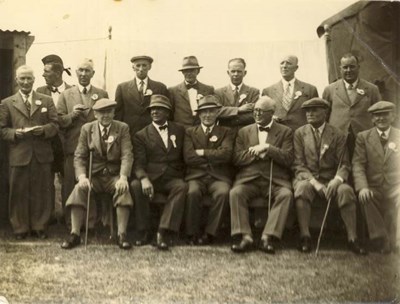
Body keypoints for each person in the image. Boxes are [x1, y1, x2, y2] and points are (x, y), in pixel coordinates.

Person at [292, 98, 366, 255]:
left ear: (325, 112)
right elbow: (298, 165)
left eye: (314, 110)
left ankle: (352, 238)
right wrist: (314, 183)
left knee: (345, 191)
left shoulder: (338, 134)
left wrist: (336, 181)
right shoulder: (300, 133)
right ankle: (305, 236)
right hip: (308, 178)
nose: (310, 114)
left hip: (332, 178)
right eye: (307, 111)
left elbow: (345, 164)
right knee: (302, 189)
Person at [61, 98, 133, 250]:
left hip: (114, 176)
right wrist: (82, 177)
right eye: (101, 112)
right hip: (94, 176)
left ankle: (122, 234)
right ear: (95, 114)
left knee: (123, 190)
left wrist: (123, 177)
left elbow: (127, 155)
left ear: (114, 113)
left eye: (109, 111)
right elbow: (79, 155)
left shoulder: (122, 128)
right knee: (79, 189)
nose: (105, 115)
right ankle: (75, 234)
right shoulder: (87, 129)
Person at [229, 96, 293, 254]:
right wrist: (256, 153)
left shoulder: (285, 131)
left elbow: (288, 158)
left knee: (286, 195)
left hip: (274, 180)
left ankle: (267, 237)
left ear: (271, 113)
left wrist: (268, 148)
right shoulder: (244, 131)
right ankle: (246, 237)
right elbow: (236, 158)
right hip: (249, 179)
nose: (256, 114)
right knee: (236, 193)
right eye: (255, 110)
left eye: (261, 111)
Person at [0, 65, 58, 239]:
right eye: (22, 78)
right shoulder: (7, 103)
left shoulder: (46, 100)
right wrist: (14, 134)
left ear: (34, 80)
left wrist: (45, 130)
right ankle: (20, 228)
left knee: (42, 191)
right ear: (17, 80)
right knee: (18, 191)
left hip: (41, 154)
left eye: (29, 78)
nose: (26, 82)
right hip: (19, 154)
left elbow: (55, 125)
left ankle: (40, 226)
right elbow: (2, 129)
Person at [130, 95, 188, 251]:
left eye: (159, 109)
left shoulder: (179, 130)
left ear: (168, 112)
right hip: (151, 177)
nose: (155, 111)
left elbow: (185, 156)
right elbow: (138, 163)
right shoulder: (141, 135)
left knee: (181, 187)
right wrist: (143, 179)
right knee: (136, 185)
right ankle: (143, 231)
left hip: (172, 177)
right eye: (152, 109)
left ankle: (163, 231)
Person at [57, 58, 108, 224]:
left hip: (95, 146)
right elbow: (58, 121)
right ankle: (70, 221)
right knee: (71, 183)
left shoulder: (101, 94)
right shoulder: (66, 95)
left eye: (87, 71)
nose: (84, 74)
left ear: (93, 73)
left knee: (90, 183)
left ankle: (90, 221)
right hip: (73, 146)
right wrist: (72, 115)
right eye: (80, 70)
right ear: (76, 73)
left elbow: (106, 119)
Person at [184, 95, 235, 245]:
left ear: (217, 113)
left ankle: (210, 233)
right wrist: (213, 158)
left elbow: (226, 155)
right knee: (192, 192)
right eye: (204, 112)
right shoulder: (190, 132)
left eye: (211, 111)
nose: (207, 115)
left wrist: (202, 152)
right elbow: (189, 157)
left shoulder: (226, 131)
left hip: (219, 177)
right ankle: (191, 233)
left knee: (223, 192)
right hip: (196, 176)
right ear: (199, 114)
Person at [352, 101, 400, 254]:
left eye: (385, 114)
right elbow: (358, 164)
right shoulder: (363, 137)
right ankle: (382, 239)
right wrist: (363, 187)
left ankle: (398, 242)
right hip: (374, 186)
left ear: (392, 116)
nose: (381, 118)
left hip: (396, 186)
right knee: (366, 197)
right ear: (372, 119)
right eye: (377, 116)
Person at [37, 54, 73, 223]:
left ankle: (69, 217)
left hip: (67, 144)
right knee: (46, 180)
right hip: (48, 144)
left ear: (58, 73)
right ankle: (48, 216)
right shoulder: (39, 92)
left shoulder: (73, 91)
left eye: (47, 72)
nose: (43, 75)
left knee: (68, 181)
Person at [322, 53, 381, 156]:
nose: (348, 70)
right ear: (340, 69)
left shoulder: (372, 89)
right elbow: (324, 116)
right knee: (341, 167)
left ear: (358, 67)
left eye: (352, 67)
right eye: (345, 67)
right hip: (338, 137)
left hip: (364, 137)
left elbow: (378, 114)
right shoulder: (330, 89)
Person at [115, 55, 169, 137]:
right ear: (133, 67)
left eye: (144, 65)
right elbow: (118, 114)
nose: (141, 69)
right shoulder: (122, 88)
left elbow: (166, 112)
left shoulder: (160, 87)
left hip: (153, 133)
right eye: (138, 65)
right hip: (130, 133)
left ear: (149, 67)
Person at [262, 55, 318, 131]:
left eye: (288, 63)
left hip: (302, 134)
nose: (284, 66)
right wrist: (271, 118)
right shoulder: (268, 91)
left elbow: (316, 114)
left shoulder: (310, 89)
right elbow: (262, 115)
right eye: (282, 63)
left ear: (296, 68)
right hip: (277, 134)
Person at [169, 56, 214, 128]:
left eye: (192, 70)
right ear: (182, 72)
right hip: (181, 131)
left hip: (201, 131)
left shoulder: (208, 89)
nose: (189, 73)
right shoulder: (173, 91)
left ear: (198, 71)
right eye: (186, 71)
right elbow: (170, 115)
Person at [215, 58, 260, 128]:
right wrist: (239, 110)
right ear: (228, 73)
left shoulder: (253, 92)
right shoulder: (218, 92)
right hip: (224, 134)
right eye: (233, 71)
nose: (236, 74)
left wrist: (228, 116)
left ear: (244, 73)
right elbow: (217, 112)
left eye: (239, 71)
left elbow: (254, 115)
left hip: (246, 133)